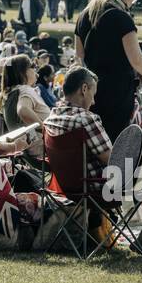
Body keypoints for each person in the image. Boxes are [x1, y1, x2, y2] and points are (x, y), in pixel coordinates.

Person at [74, 0, 142, 140]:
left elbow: (79, 56)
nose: (132, 2)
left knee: (96, 138)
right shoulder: (121, 17)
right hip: (117, 90)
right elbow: (136, 59)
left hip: (91, 89)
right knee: (116, 139)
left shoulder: (84, 14)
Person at [43, 66, 113, 194]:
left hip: (63, 188)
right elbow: (113, 160)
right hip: (96, 189)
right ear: (84, 89)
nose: (93, 102)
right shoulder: (86, 120)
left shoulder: (50, 120)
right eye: (93, 94)